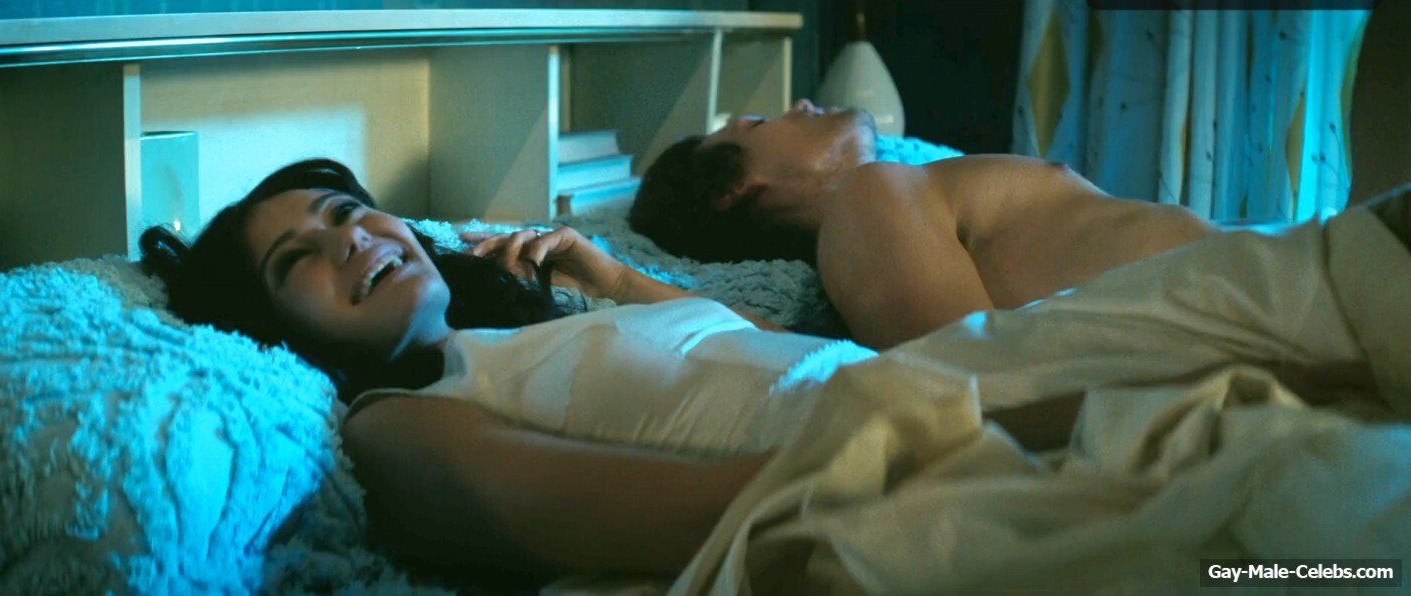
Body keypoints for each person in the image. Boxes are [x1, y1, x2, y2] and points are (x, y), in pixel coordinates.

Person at [139, 157, 1410, 584]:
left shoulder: (521, 333)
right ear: (279, 334)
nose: (352, 239)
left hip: (928, 384)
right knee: (1299, 474)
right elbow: (677, 509)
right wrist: (1013, 425)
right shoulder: (394, 426)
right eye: (298, 259)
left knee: (1314, 277)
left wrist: (602, 269)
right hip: (866, 459)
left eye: (347, 208)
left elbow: (720, 341)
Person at [629, 99, 1219, 349]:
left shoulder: (897, 199)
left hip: (1227, 292)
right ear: (734, 189)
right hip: (1220, 317)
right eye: (760, 124)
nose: (801, 106)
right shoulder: (866, 201)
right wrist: (617, 280)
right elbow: (977, 374)